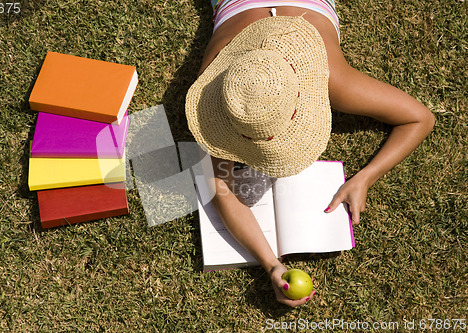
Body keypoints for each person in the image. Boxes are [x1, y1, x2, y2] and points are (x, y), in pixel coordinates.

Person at [185, 0, 435, 307]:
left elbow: (421, 119)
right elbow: (419, 118)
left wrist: (366, 178)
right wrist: (273, 264)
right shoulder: (226, 96)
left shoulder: (333, 81)